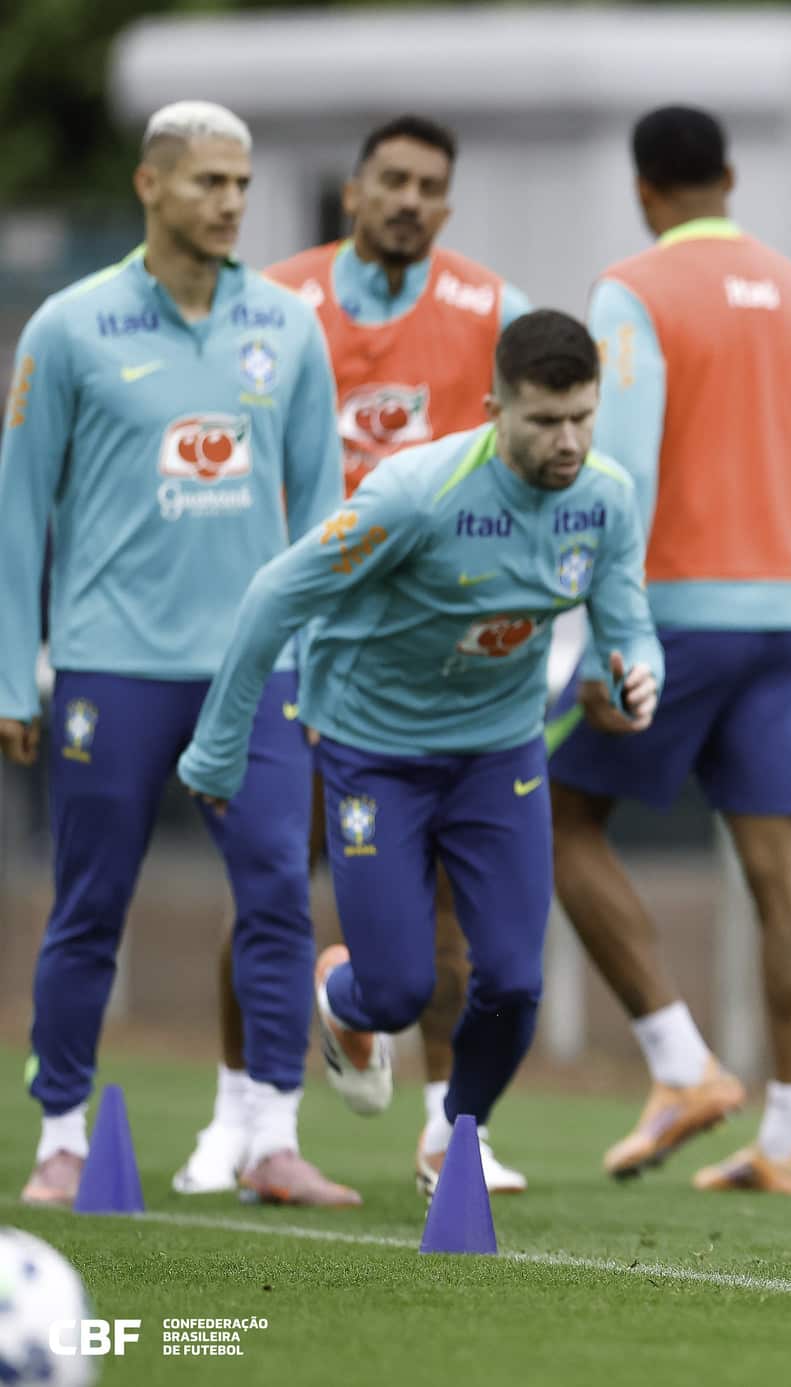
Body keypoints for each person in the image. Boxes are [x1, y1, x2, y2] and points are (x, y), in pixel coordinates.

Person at [177, 310, 662, 1195]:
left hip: (497, 752)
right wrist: (220, 743)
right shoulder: (416, 494)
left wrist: (638, 672)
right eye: (545, 420)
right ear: (493, 408)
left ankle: (453, 1137)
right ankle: (346, 996)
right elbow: (274, 595)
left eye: (583, 418)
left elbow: (627, 622)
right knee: (398, 989)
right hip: (376, 751)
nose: (568, 441)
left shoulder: (608, 497)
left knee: (513, 981)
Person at [2, 100, 354, 1208]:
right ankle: (61, 1134)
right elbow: (18, 511)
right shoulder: (67, 326)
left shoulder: (288, 327)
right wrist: (17, 670)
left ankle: (271, 1138)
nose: (233, 203)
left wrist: (323, 666)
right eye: (209, 182)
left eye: (243, 184)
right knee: (89, 904)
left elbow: (326, 517)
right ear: (151, 186)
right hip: (109, 669)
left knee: (278, 900)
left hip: (253, 677)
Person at [178, 113, 536, 1199]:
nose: (410, 200)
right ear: (353, 191)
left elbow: (546, 448)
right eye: (392, 179)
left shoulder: (493, 311)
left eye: (431, 184)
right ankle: (239, 1117)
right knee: (274, 881)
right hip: (303, 633)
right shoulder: (276, 303)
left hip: (425, 656)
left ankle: (446, 1126)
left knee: (447, 908)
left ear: (448, 202)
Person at [545, 105, 791, 1194]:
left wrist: (601, 629)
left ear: (643, 190)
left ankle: (680, 1064)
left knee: (559, 817)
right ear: (728, 177)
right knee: (780, 875)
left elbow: (612, 462)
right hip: (784, 618)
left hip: (671, 614)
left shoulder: (634, 289)